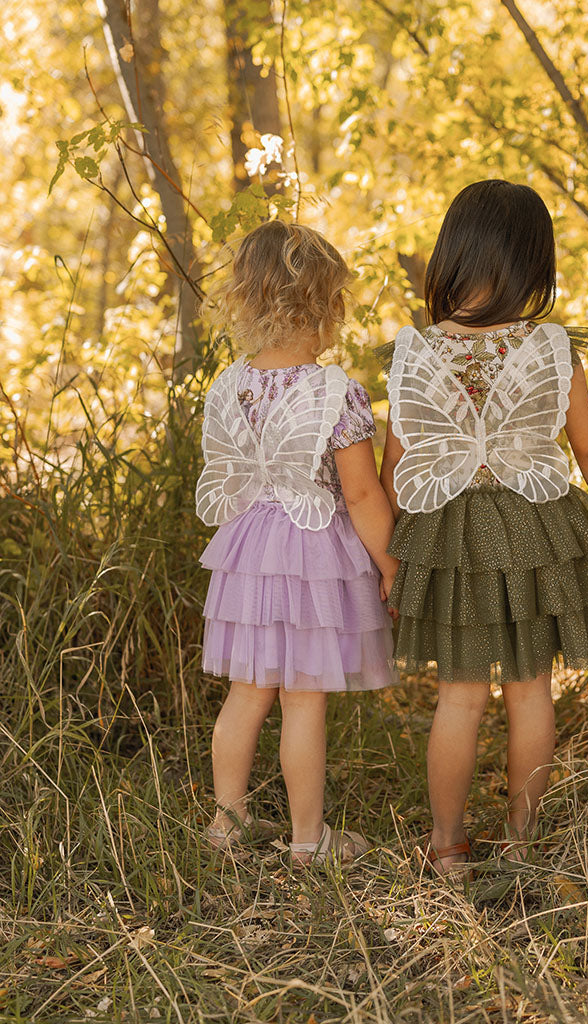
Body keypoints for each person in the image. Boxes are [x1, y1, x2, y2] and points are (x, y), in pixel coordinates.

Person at [378, 179, 588, 873]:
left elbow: (399, 468)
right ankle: (523, 843)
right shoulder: (551, 348)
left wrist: (389, 556)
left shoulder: (415, 352)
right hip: (535, 533)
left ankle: (446, 847)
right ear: (534, 264)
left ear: (451, 255)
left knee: (459, 698)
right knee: (532, 691)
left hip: (449, 539)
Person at [197, 220, 398, 867]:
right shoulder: (334, 393)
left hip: (249, 552)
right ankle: (310, 842)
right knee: (302, 699)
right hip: (311, 555)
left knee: (248, 691)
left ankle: (227, 825)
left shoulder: (230, 386)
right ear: (324, 303)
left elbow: (227, 473)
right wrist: (391, 564)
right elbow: (363, 495)